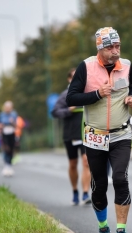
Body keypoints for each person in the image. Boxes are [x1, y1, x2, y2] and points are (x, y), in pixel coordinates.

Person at [66, 27, 132, 233]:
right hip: (95, 136)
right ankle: (103, 229)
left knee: (119, 179)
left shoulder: (126, 65)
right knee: (98, 186)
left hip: (121, 133)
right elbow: (72, 97)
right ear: (100, 48)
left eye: (118, 46)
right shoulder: (86, 67)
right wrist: (97, 94)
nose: (116, 51)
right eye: (111, 47)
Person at [52, 68, 91, 205]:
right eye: (74, 77)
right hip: (71, 134)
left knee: (87, 162)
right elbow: (55, 112)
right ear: (69, 79)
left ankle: (86, 193)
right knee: (73, 164)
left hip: (86, 132)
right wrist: (69, 110)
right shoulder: (65, 95)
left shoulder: (88, 93)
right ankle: (75, 191)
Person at [0, 101, 17, 177]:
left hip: (11, 133)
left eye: (9, 107)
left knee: (11, 149)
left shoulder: (14, 114)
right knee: (6, 148)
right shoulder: (1, 115)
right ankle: (6, 165)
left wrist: (12, 123)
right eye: (6, 107)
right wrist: (0, 127)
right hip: (4, 133)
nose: (8, 109)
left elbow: (15, 125)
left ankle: (9, 165)